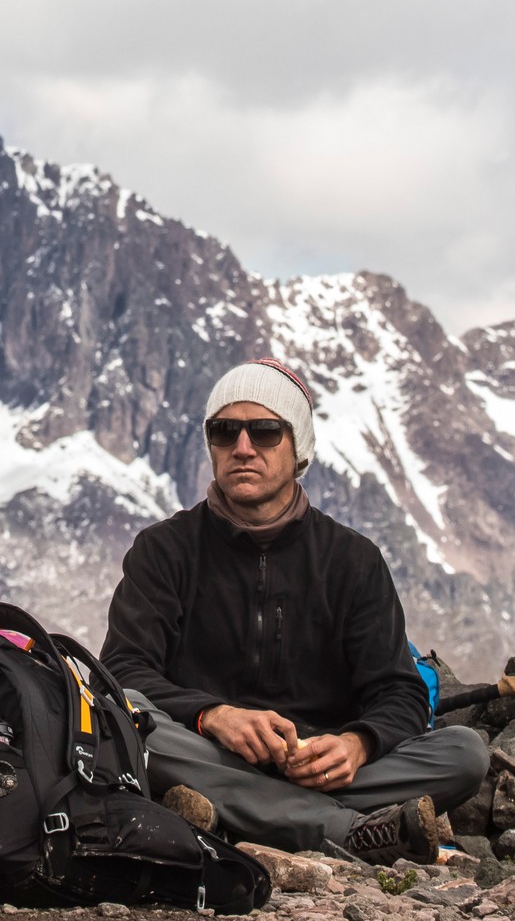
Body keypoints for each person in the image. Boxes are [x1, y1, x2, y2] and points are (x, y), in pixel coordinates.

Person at [101, 358, 489, 863]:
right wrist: (213, 716)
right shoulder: (163, 550)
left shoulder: (353, 560)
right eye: (224, 432)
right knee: (125, 721)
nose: (242, 448)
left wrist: (357, 744)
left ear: (297, 448)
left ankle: (233, 815)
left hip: (317, 762)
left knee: (463, 752)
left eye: (264, 432)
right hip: (206, 749)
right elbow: (121, 673)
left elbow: (399, 692)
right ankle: (349, 831)